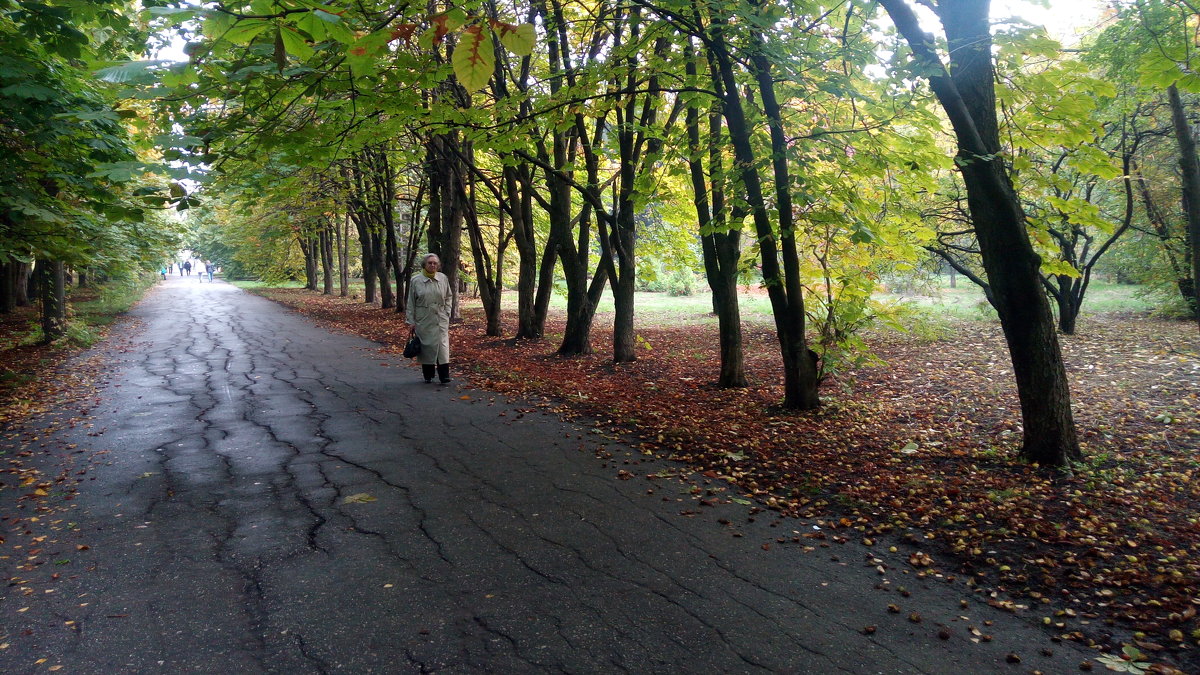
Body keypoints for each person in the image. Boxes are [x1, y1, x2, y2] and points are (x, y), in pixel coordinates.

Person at [406, 253, 453, 383]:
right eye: (430, 263)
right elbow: (411, 302)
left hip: (440, 318)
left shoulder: (443, 278)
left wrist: (447, 311)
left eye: (435, 263)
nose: (432, 265)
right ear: (424, 265)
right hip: (424, 318)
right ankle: (428, 375)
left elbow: (449, 296)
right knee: (427, 347)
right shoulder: (416, 280)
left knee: (443, 347)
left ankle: (444, 375)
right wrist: (411, 321)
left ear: (438, 265)